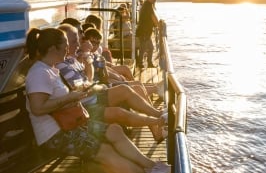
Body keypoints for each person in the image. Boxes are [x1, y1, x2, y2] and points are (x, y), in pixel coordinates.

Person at [25, 27, 171, 173]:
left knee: (115, 130)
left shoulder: (50, 69)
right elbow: (37, 108)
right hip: (55, 134)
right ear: (52, 48)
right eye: (65, 45)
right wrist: (70, 97)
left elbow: (55, 100)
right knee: (106, 151)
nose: (68, 48)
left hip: (70, 124)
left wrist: (75, 95)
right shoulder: (39, 73)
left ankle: (151, 166)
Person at [57, 24, 167, 143]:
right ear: (64, 44)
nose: (78, 44)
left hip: (93, 94)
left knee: (133, 88)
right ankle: (159, 116)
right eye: (74, 42)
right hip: (87, 101)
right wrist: (87, 57)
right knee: (124, 95)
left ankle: (157, 126)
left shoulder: (72, 59)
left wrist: (87, 58)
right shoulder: (63, 64)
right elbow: (84, 87)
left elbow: (89, 78)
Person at [136, 0, 159, 68]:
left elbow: (152, 17)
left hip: (145, 31)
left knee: (145, 48)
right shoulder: (148, 6)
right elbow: (153, 17)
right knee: (147, 48)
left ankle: (145, 63)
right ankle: (144, 63)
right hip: (144, 31)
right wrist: (158, 25)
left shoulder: (147, 5)